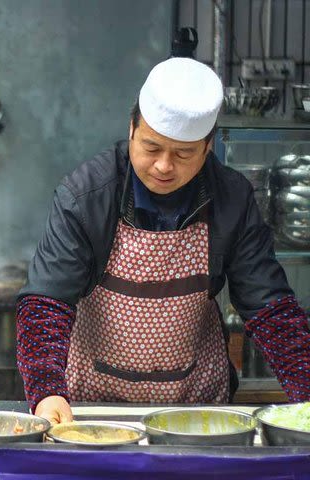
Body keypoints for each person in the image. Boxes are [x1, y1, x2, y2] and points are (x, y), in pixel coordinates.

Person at [17, 57, 310, 424]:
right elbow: (47, 302)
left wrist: (307, 392)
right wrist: (46, 392)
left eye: (183, 153)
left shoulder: (232, 198)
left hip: (198, 409)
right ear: (132, 128)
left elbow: (269, 308)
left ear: (207, 147)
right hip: (93, 409)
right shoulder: (86, 195)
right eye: (152, 148)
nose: (163, 166)